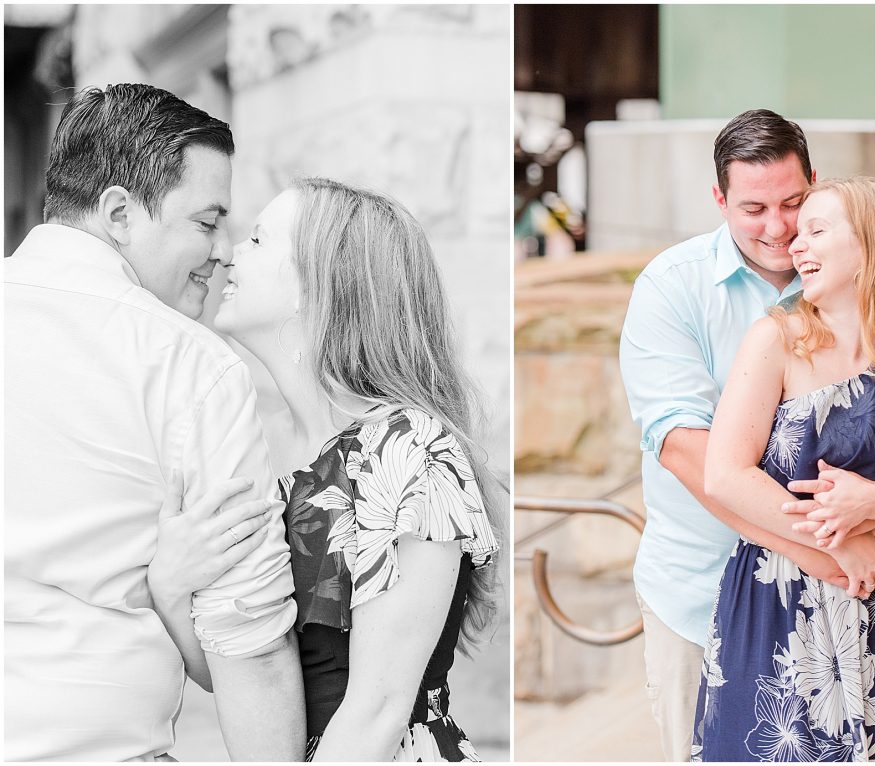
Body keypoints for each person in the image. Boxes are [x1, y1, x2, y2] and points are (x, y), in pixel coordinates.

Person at [149, 178, 503, 761]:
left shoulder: (408, 447)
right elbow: (237, 670)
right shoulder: (259, 449)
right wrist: (168, 588)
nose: (230, 252)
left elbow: (376, 712)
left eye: (259, 240)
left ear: (320, 283)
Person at [5, 83, 305, 760]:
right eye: (206, 222)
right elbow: (248, 639)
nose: (223, 251)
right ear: (119, 212)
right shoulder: (191, 366)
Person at [619, 110, 875, 761]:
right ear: (719, 199)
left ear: (817, 182)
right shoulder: (672, 289)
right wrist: (827, 547)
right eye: (753, 208)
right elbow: (687, 453)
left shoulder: (863, 287)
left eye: (793, 202)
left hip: (848, 600)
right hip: (704, 593)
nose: (778, 228)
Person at [693, 177, 875, 761]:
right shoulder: (775, 339)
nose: (796, 246)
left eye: (816, 231)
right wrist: (834, 545)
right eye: (799, 234)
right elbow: (724, 474)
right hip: (775, 596)